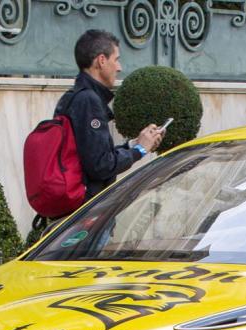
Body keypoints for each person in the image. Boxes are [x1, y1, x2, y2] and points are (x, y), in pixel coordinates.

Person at [54, 30, 164, 202]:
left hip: (78, 208)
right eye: (116, 59)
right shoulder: (88, 101)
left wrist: (135, 144)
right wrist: (139, 151)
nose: (119, 67)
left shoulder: (73, 97)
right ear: (102, 61)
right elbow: (100, 165)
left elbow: (91, 156)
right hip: (88, 212)